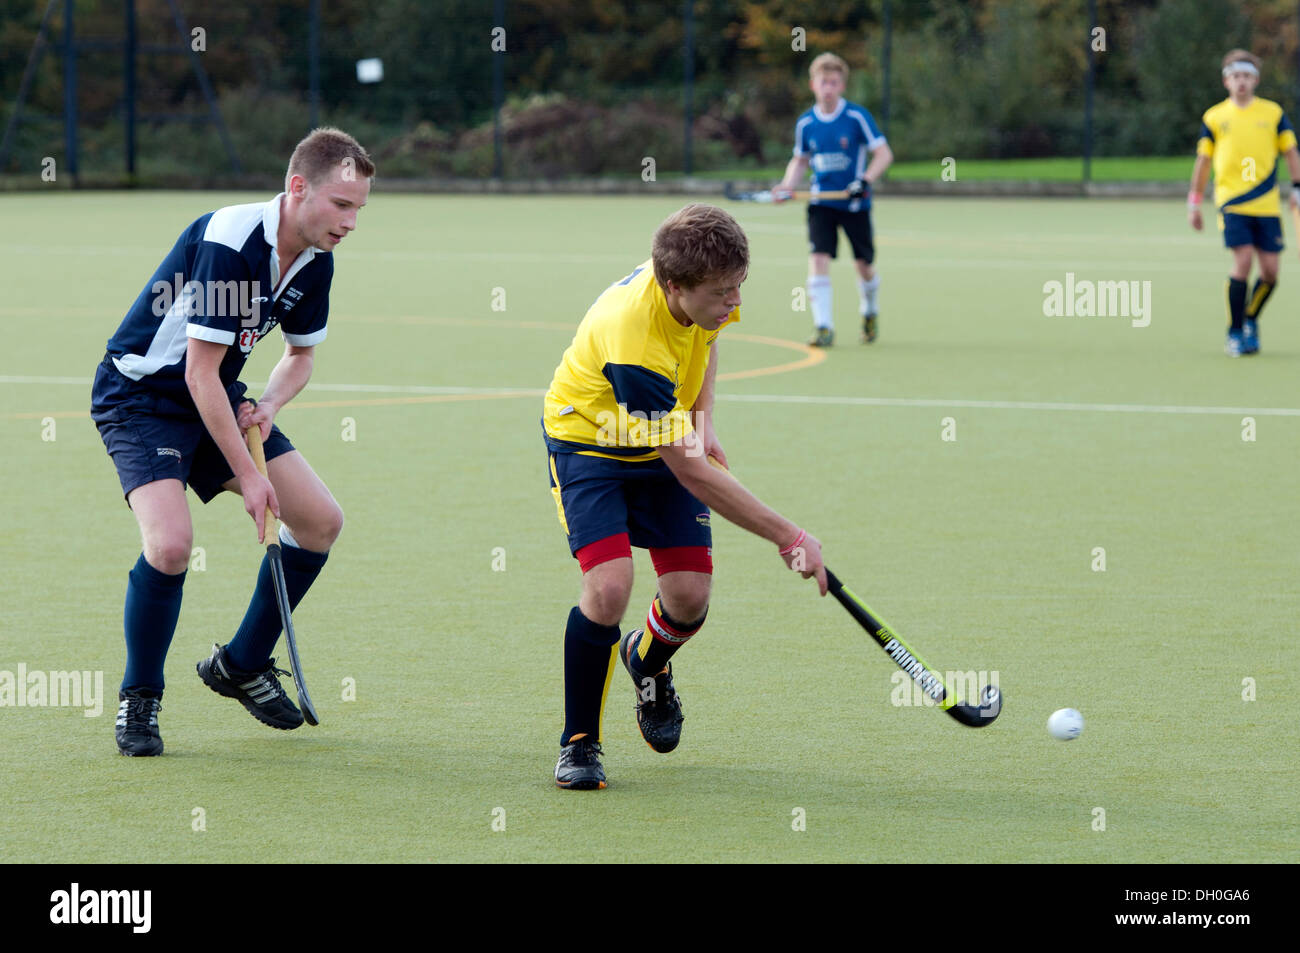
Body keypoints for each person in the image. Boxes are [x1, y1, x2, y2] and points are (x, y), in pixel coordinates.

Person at [90, 127, 374, 756]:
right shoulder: (230, 240)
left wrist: (269, 403)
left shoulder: (315, 261)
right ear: (298, 188)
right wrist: (250, 475)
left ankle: (241, 663)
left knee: (321, 522)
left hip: (218, 397)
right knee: (170, 546)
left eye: (359, 209)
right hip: (145, 399)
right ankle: (141, 698)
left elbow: (300, 356)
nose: (352, 222)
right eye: (342, 205)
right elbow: (195, 370)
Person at [542, 203, 828, 790]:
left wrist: (704, 418)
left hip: (661, 436)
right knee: (609, 587)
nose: (734, 305)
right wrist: (788, 536)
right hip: (589, 444)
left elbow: (705, 337)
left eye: (738, 288)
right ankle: (579, 743)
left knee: (690, 597)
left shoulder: (698, 292)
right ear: (675, 287)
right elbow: (694, 475)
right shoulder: (632, 339)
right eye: (724, 293)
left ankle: (645, 659)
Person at [775, 52, 893, 347]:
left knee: (864, 266)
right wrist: (788, 185)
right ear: (813, 84)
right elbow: (800, 160)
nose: (828, 87)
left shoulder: (856, 117)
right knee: (818, 258)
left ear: (842, 86)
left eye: (834, 82)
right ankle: (824, 326)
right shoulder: (806, 124)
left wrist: (864, 181)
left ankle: (870, 310)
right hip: (821, 203)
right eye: (823, 81)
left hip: (855, 205)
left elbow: (884, 154)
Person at [1189, 49, 1300, 356]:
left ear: (1256, 80)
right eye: (1236, 76)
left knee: (1271, 273)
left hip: (1266, 206)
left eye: (1247, 76)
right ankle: (1235, 331)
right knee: (1243, 260)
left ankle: (1250, 318)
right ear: (1226, 81)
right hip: (1231, 203)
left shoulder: (1273, 114)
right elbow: (1203, 160)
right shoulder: (1214, 117)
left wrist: (1297, 187)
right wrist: (1194, 201)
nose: (1242, 82)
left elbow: (1290, 152)